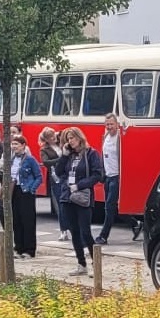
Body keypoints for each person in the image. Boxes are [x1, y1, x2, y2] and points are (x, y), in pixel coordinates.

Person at [55, 127, 103, 276]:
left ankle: (96, 264)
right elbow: (58, 172)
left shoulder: (91, 154)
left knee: (85, 232)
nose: (71, 141)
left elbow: (97, 175)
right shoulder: (69, 155)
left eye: (73, 138)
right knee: (74, 231)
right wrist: (63, 156)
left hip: (82, 197)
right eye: (68, 139)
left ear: (80, 138)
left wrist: (79, 185)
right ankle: (81, 264)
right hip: (67, 197)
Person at [94, 115, 141, 244]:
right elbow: (103, 156)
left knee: (109, 207)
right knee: (113, 207)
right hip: (108, 177)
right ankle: (136, 223)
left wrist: (122, 176)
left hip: (116, 176)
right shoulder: (105, 137)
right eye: (107, 125)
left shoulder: (121, 138)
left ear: (117, 124)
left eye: (111, 124)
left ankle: (103, 236)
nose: (109, 127)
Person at [9, 135, 42, 258]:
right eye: (13, 144)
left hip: (25, 191)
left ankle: (29, 250)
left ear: (23, 145)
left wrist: (31, 189)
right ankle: (19, 248)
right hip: (14, 191)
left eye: (16, 144)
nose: (14, 147)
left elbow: (39, 176)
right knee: (16, 220)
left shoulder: (30, 159)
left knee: (27, 221)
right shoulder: (11, 159)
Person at [38, 127, 67, 240]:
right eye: (50, 137)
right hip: (56, 178)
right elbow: (45, 162)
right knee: (60, 205)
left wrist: (58, 134)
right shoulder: (44, 150)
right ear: (46, 140)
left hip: (67, 175)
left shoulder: (61, 142)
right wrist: (60, 160)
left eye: (53, 135)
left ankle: (71, 228)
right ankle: (63, 230)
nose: (53, 138)